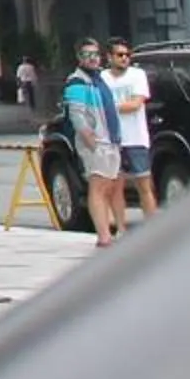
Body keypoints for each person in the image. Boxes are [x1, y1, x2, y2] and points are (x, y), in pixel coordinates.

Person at [61, 40, 127, 244]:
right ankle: (104, 236)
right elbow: (77, 115)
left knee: (110, 185)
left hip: (110, 140)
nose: (93, 59)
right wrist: (91, 140)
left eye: (95, 54)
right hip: (97, 143)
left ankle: (113, 230)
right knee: (98, 186)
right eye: (87, 54)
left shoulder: (98, 79)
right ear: (79, 57)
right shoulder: (77, 82)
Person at [104, 40, 157, 221]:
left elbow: (135, 104)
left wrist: (110, 107)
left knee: (144, 184)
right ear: (109, 57)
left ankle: (152, 225)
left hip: (136, 138)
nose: (125, 58)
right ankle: (121, 228)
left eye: (127, 55)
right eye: (120, 55)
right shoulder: (103, 78)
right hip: (112, 139)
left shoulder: (137, 75)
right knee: (116, 187)